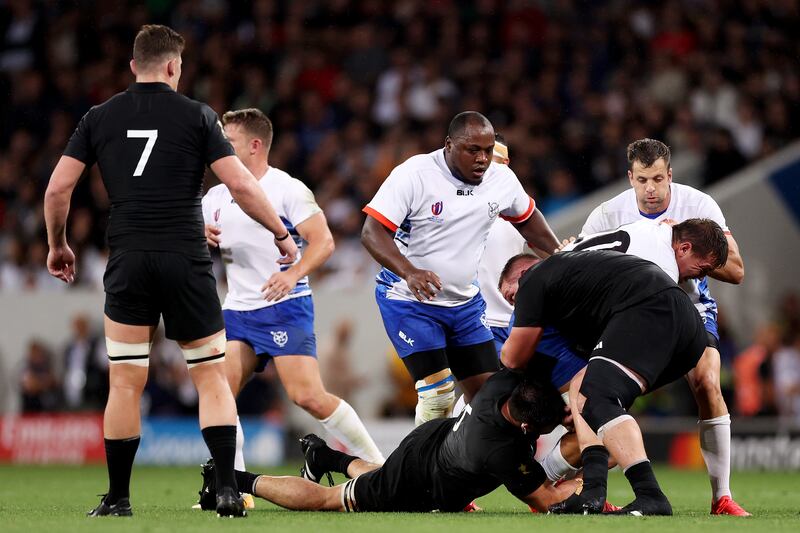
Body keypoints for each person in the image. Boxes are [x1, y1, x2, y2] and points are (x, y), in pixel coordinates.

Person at [44, 25, 297, 518]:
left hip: (129, 259)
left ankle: (118, 498)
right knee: (210, 379)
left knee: (124, 383)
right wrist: (281, 235)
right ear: (174, 66)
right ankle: (227, 490)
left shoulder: (99, 117)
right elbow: (242, 186)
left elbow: (57, 190)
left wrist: (59, 245)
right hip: (186, 257)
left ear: (133, 66)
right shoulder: (198, 115)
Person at [201, 109, 384, 499]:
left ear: (255, 146)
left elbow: (324, 242)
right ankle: (234, 487)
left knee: (308, 397)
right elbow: (191, 243)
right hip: (238, 310)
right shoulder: (216, 196)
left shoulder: (287, 189)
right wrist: (199, 235)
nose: (220, 150)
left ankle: (380, 467)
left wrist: (292, 274)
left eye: (228, 143)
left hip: (285, 307)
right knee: (219, 392)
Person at [580, 138, 749, 516]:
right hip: (630, 316)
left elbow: (736, 270)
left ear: (670, 174)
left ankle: (722, 496)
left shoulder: (699, 206)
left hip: (689, 309)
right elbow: (580, 259)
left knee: (707, 381)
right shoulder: (609, 213)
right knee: (590, 398)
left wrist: (680, 243)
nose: (651, 189)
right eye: (642, 180)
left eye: (658, 178)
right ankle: (583, 489)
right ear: (630, 178)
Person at [499, 239, 728, 515]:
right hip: (685, 331)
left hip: (651, 307)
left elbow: (512, 359)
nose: (513, 303)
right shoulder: (578, 282)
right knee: (586, 393)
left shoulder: (534, 281)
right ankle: (592, 492)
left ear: (524, 273)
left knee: (598, 397)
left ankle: (650, 495)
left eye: (510, 294)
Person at [361, 111, 559, 426]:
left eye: (488, 149)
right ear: (449, 145)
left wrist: (560, 255)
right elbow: (372, 232)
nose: (483, 159)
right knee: (438, 395)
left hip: (465, 305)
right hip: (411, 301)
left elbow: (529, 223)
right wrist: (409, 271)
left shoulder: (501, 179)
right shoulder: (415, 174)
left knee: (491, 402)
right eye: (473, 150)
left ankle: (463, 469)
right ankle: (419, 471)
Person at [196, 370, 580, 513]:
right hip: (422, 481)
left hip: (433, 443)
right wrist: (587, 479)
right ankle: (230, 478)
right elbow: (546, 500)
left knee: (379, 478)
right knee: (334, 499)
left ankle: (324, 456)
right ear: (528, 428)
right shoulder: (502, 450)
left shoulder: (502, 385)